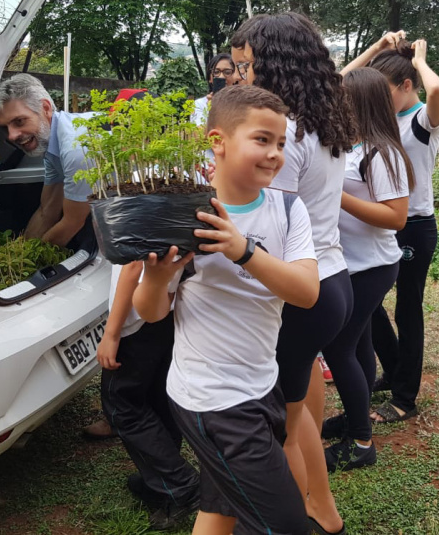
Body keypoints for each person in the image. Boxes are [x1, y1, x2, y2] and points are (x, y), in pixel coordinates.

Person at [134, 84, 319, 535]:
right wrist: (158, 278)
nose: (275, 153)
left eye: (280, 142)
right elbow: (151, 311)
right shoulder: (185, 214)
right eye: (261, 139)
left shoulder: (289, 208)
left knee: (220, 508)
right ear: (217, 141)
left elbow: (306, 292)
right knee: (287, 524)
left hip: (261, 382)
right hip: (213, 399)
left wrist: (242, 250)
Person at [231, 12, 354, 534]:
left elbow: (268, 227)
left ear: (274, 64)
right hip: (334, 280)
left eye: (246, 67)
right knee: (302, 406)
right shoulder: (322, 119)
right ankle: (322, 509)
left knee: (281, 426)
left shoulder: (283, 139)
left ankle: (287, 519)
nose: (240, 79)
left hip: (302, 290)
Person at [343, 33, 439, 424]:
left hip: (414, 227)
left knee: (407, 309)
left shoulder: (422, 120)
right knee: (369, 307)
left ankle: (405, 397)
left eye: (386, 92)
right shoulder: (377, 120)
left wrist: (419, 59)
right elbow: (340, 84)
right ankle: (393, 368)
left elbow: (435, 88)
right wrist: (376, 50)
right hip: (379, 226)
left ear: (406, 87)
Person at [321, 67, 413, 472]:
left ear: (361, 102)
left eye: (343, 97)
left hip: (373, 266)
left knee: (338, 346)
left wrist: (335, 195)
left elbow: (396, 217)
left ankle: (360, 441)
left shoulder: (383, 152)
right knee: (357, 345)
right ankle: (355, 416)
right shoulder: (348, 146)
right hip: (348, 264)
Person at [95, 262, 201, 530]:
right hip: (167, 308)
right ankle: (159, 484)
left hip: (136, 317)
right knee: (158, 399)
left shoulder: (144, 216)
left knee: (121, 406)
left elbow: (131, 266)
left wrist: (112, 332)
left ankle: (182, 484)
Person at [0, 73, 95, 248]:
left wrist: (24, 264)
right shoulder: (53, 146)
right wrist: (19, 250)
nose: (12, 135)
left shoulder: (75, 148)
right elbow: (47, 211)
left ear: (45, 108)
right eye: (5, 128)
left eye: (19, 121)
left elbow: (72, 223)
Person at [191, 53, 237, 126]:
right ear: (210, 78)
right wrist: (212, 110)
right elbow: (197, 134)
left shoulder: (242, 104)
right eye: (216, 72)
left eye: (227, 72)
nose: (221, 77)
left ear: (236, 76)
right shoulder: (199, 104)